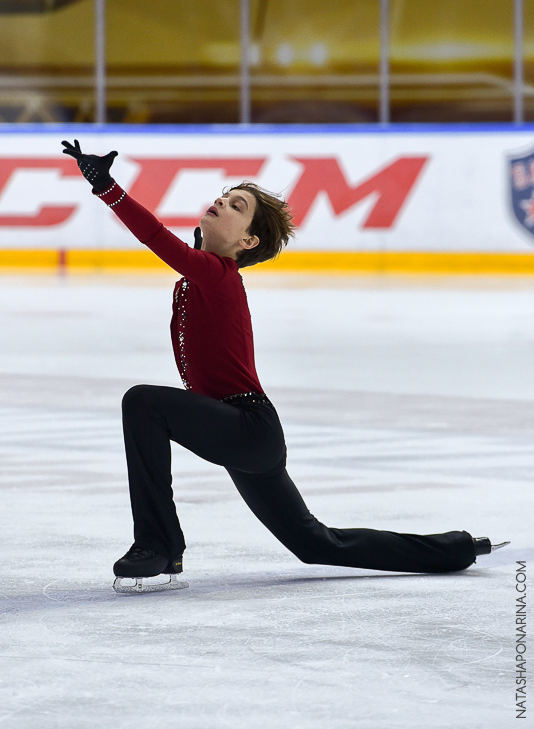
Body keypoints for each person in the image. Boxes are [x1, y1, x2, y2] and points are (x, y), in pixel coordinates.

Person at [61, 139, 508, 590]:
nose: (221, 201)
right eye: (223, 196)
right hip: (243, 432)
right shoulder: (199, 279)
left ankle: (159, 544)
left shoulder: (217, 276)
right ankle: (457, 547)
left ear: (248, 240)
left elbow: (157, 239)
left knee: (143, 404)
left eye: (236, 205)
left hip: (248, 426)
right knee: (317, 544)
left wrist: (108, 188)